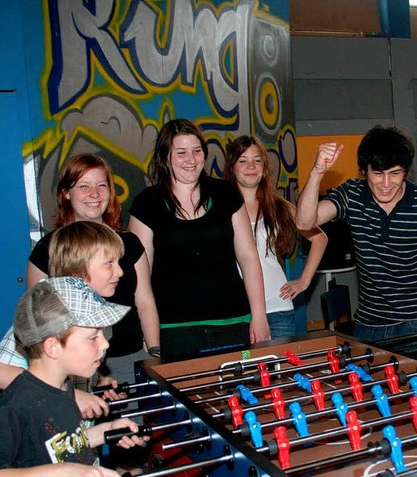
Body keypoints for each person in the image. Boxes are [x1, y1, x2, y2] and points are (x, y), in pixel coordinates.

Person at [295, 125, 417, 343]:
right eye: (378, 173)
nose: (385, 183)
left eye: (394, 173)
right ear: (364, 171)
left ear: (406, 171)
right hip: (369, 321)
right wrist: (317, 171)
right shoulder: (351, 194)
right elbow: (304, 221)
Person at [129, 119, 269, 358]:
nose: (191, 159)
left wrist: (259, 316)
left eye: (196, 151)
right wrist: (150, 337)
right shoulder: (146, 203)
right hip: (174, 329)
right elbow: (140, 278)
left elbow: (248, 257)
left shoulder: (225, 194)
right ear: (165, 157)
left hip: (234, 322)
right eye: (181, 152)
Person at [24, 153, 160, 386]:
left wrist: (155, 353)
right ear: (66, 194)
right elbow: (38, 320)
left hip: (128, 359)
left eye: (101, 185)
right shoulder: (48, 249)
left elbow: (145, 302)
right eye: (84, 186)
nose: (94, 194)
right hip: (73, 369)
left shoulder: (130, 243)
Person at [0, 277, 148, 476]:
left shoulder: (63, 387)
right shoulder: (15, 405)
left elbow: (65, 444)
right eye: (93, 337)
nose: (105, 344)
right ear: (53, 347)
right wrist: (66, 471)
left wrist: (107, 430)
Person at [224, 135, 328, 338]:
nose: (251, 166)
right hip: (239, 312)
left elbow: (320, 238)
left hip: (278, 308)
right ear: (232, 167)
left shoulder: (278, 206)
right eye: (243, 160)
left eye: (257, 160)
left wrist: (304, 280)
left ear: (264, 167)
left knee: (283, 369)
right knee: (247, 369)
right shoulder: (221, 208)